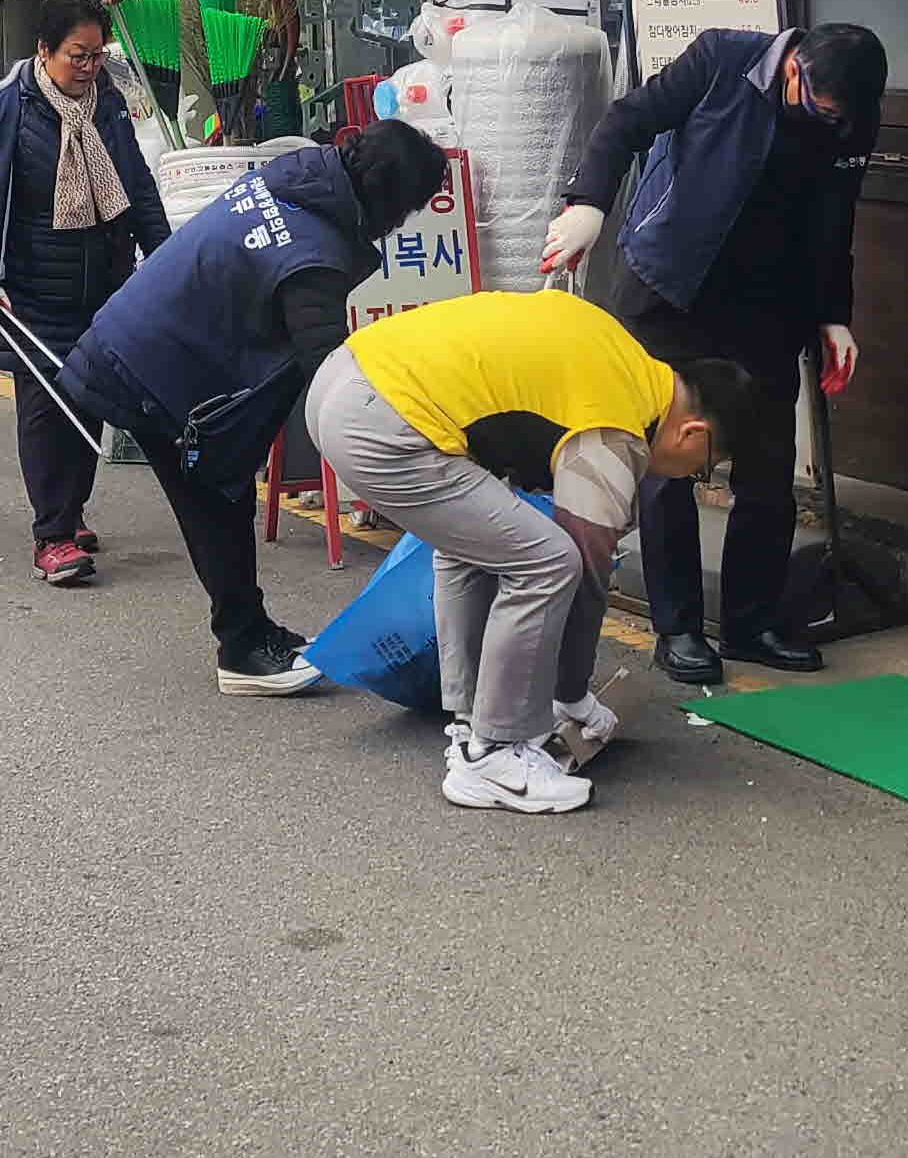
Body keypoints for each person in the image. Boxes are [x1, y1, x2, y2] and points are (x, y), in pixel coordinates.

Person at [303, 287, 755, 815]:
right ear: (693, 433)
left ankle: (473, 723)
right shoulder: (617, 420)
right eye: (703, 468)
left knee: (474, 547)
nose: (691, 477)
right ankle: (495, 757)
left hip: (346, 380)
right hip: (383, 421)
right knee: (550, 562)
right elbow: (587, 564)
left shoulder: (620, 355)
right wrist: (572, 695)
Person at [541, 23, 889, 686]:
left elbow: (834, 217)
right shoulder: (721, 59)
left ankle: (750, 622)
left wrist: (832, 314)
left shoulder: (850, 118)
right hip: (671, 284)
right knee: (669, 455)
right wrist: (587, 204)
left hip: (766, 299)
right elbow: (626, 120)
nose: (826, 121)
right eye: (817, 105)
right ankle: (676, 628)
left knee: (765, 458)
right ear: (795, 68)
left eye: (840, 116)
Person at [57, 121, 452, 695]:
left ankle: (251, 630)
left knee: (224, 492)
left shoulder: (298, 178)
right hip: (150, 370)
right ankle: (241, 649)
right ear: (390, 198)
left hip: (151, 346)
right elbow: (332, 375)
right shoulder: (312, 250)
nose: (402, 225)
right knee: (215, 500)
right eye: (409, 209)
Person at [0, 0, 169, 588]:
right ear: (44, 51)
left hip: (104, 284)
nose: (90, 67)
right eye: (79, 55)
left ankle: (69, 514)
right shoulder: (6, 113)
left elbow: (139, 187)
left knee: (89, 402)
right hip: (32, 290)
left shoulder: (110, 107)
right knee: (47, 410)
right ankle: (52, 534)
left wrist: (167, 256)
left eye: (98, 55)